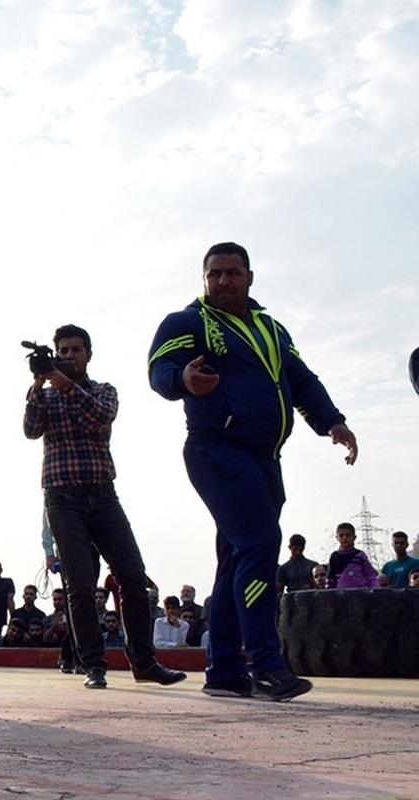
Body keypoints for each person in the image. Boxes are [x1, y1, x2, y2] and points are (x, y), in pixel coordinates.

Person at [148, 241, 358, 701]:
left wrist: (332, 422)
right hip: (216, 450)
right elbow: (160, 368)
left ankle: (223, 670)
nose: (223, 280)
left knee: (236, 559)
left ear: (249, 276)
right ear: (204, 279)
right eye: (214, 274)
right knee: (261, 543)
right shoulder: (188, 322)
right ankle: (265, 663)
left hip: (266, 458)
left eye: (232, 272)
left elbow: (301, 380)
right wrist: (182, 379)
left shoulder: (272, 328)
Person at [24, 323, 186, 690]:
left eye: (75, 350)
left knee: (132, 575)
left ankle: (144, 662)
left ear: (88, 355)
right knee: (80, 585)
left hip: (102, 494)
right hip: (62, 499)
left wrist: (67, 385)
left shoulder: (103, 391)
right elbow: (30, 430)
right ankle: (93, 665)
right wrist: (37, 384)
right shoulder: (44, 397)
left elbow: (98, 417)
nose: (68, 356)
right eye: (62, 350)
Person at [325, 523, 378, 588]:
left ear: (354, 537)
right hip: (341, 593)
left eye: (348, 535)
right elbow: (331, 578)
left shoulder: (360, 555)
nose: (345, 538)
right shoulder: (335, 556)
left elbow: (370, 574)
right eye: (341, 535)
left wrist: (375, 589)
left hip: (360, 592)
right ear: (337, 538)